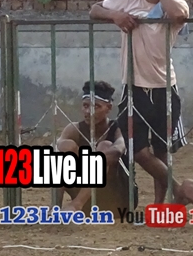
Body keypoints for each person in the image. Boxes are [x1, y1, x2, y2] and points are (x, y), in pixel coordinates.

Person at [89, 0, 190, 205]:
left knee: (162, 150)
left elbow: (179, 16)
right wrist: (115, 16)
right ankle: (179, 189)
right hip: (133, 87)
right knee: (137, 149)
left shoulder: (174, 3)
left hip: (164, 87)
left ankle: (159, 205)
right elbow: (94, 9)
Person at [53, 81, 134, 215]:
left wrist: (89, 161)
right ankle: (55, 206)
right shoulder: (74, 129)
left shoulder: (117, 128)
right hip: (88, 201)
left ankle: (76, 204)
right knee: (65, 147)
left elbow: (118, 150)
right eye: (85, 106)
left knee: (105, 146)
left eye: (96, 106)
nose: (88, 111)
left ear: (108, 108)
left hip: (117, 199)